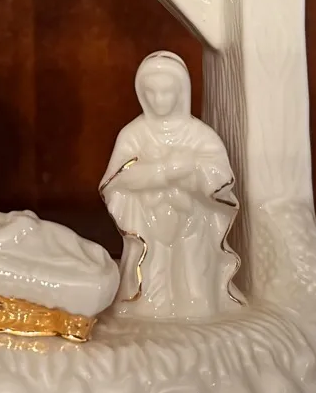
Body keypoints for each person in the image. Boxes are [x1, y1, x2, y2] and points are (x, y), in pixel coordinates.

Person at [100, 51, 244, 319]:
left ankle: (195, 302)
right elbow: (116, 180)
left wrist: (191, 172)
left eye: (166, 92)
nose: (159, 100)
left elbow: (220, 178)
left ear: (181, 91)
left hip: (191, 219)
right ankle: (149, 303)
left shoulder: (200, 135)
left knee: (191, 265)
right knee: (152, 265)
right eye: (151, 92)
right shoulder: (133, 134)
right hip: (148, 221)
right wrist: (163, 172)